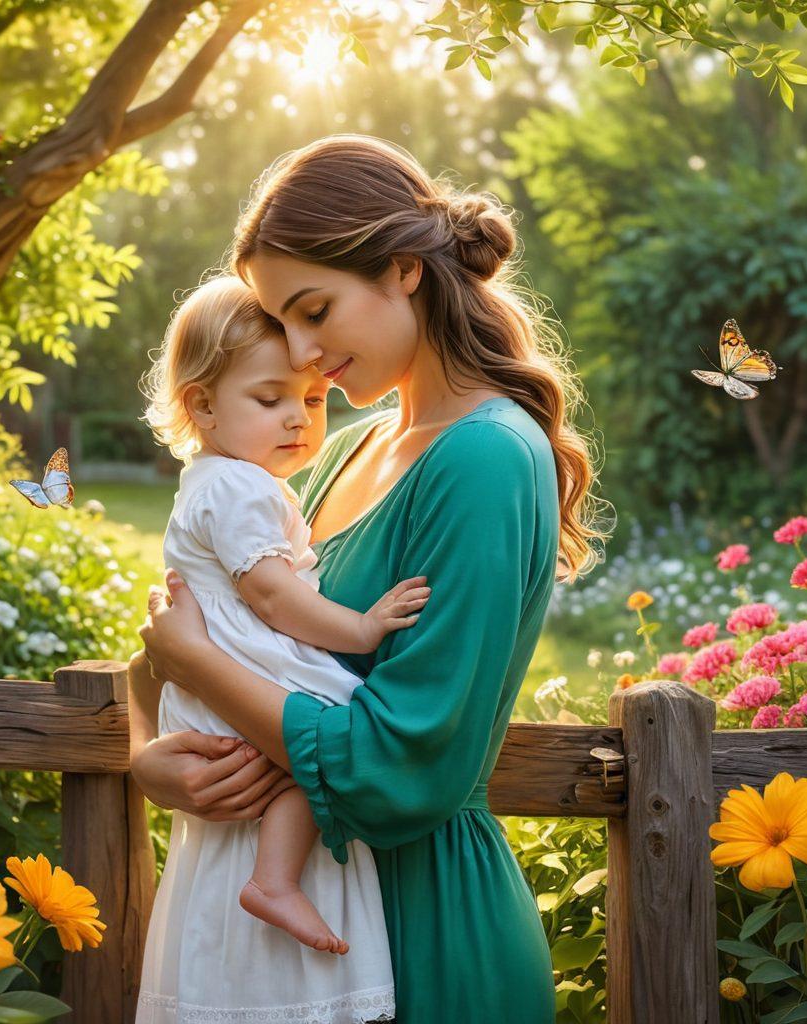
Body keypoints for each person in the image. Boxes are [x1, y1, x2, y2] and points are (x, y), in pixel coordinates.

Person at [134, 134, 607, 1023]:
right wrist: (153, 761)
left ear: (401, 270)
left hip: (425, 926)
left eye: (315, 310)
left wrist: (200, 671)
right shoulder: (342, 450)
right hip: (300, 936)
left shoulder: (487, 457)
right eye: (285, 325)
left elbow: (404, 764)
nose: (304, 355)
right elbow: (217, 632)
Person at [130, 274, 424, 1021]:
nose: (298, 418)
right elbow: (271, 595)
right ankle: (275, 882)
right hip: (247, 669)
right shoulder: (239, 489)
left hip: (224, 673)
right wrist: (359, 630)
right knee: (325, 731)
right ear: (202, 406)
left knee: (304, 750)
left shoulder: (227, 480)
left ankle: (273, 879)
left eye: (313, 399)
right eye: (270, 401)